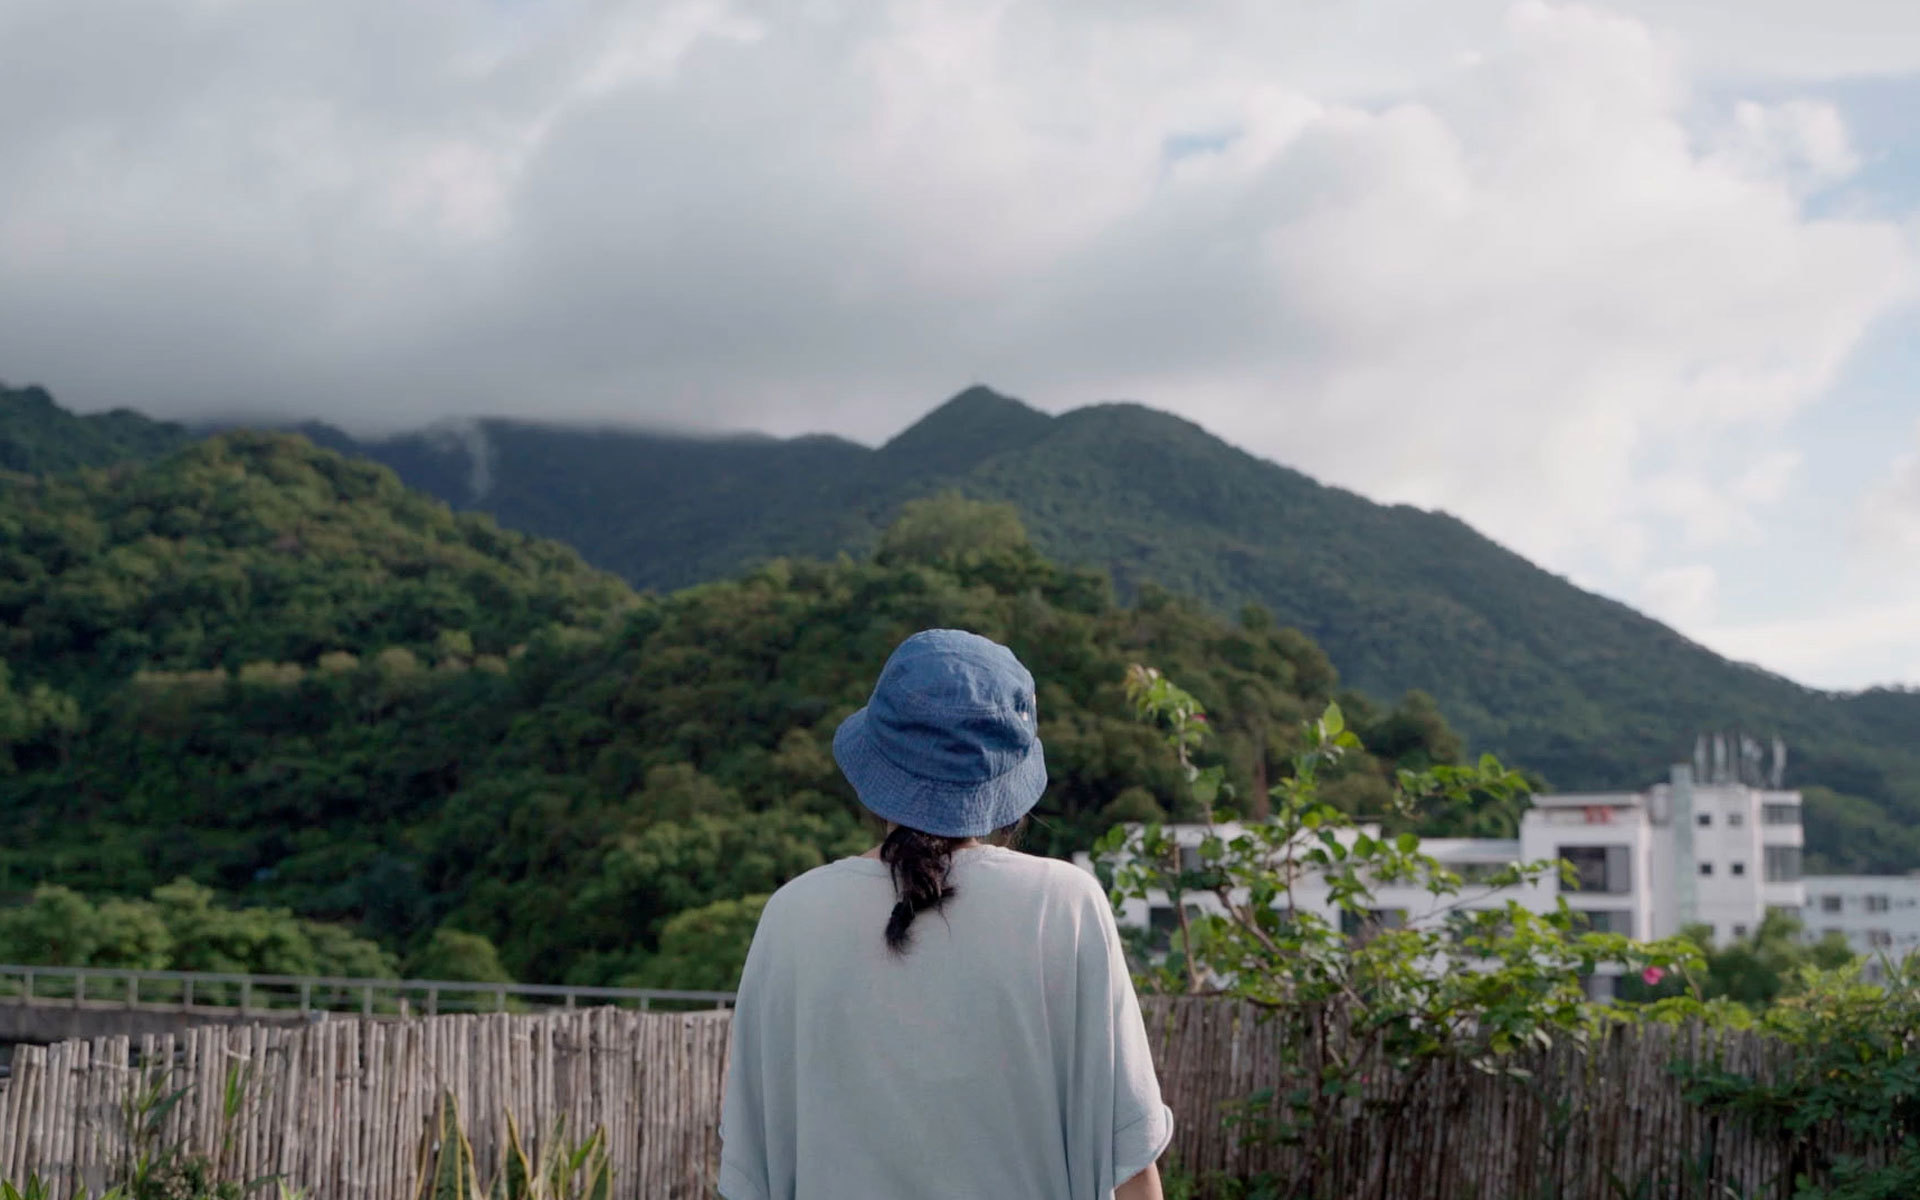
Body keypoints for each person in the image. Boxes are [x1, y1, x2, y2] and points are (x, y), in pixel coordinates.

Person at [719, 628, 1173, 1199]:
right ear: (1007, 779)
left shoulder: (792, 917)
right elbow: (1127, 1159)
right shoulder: (1065, 905)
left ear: (874, 765)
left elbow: (748, 1175)